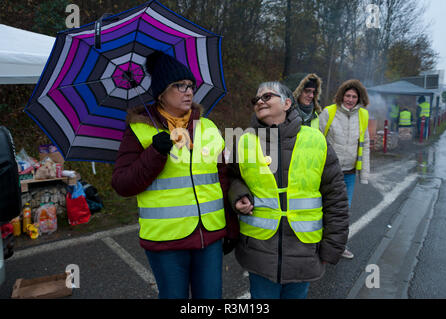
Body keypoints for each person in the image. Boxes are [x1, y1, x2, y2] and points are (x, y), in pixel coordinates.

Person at [111, 51, 238, 299]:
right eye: (179, 85)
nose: (188, 91)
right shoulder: (139, 130)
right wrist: (155, 153)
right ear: (161, 92)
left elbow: (224, 177)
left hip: (209, 236)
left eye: (190, 86)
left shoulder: (208, 126)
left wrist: (230, 226)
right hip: (166, 241)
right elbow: (123, 184)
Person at [228, 81, 349, 299]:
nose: (259, 102)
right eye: (256, 99)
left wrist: (333, 247)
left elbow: (336, 197)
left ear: (286, 103)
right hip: (259, 252)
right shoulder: (243, 141)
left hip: (305, 251)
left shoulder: (315, 140)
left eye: (267, 97)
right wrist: (239, 195)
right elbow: (232, 178)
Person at [319, 79, 370, 260]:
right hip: (328, 172)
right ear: (341, 95)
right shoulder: (328, 112)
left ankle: (338, 247)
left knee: (343, 212)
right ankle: (318, 243)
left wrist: (363, 174)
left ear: (359, 98)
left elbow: (365, 145)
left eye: (354, 96)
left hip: (348, 174)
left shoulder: (363, 115)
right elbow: (317, 140)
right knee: (323, 207)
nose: (350, 99)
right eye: (347, 95)